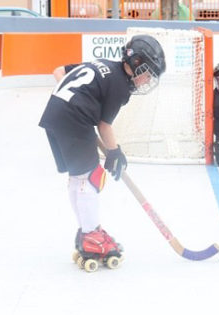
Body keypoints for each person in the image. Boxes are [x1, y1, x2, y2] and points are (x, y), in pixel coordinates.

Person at [39, 34, 166, 269]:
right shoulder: (119, 87)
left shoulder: (104, 65)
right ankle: (91, 236)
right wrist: (114, 152)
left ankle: (88, 231)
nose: (148, 79)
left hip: (54, 117)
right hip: (73, 121)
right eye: (148, 72)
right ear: (137, 63)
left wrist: (79, 103)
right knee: (91, 177)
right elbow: (104, 125)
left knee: (79, 177)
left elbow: (59, 72)